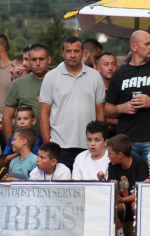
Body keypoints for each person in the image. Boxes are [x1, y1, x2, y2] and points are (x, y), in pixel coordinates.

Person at [105, 31, 150, 162]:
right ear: (134, 47)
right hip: (125, 141)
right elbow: (107, 109)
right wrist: (121, 108)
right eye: (147, 44)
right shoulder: (119, 74)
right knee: (126, 181)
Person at [39, 36, 105, 170]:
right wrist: (48, 145)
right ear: (62, 53)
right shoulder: (51, 77)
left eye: (76, 51)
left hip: (89, 145)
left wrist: (100, 142)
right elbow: (43, 112)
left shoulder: (95, 76)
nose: (73, 55)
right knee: (60, 189)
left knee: (89, 188)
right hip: (59, 146)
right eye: (68, 51)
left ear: (83, 53)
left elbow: (100, 111)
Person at [107, 134, 149, 236]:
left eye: (110, 153)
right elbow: (113, 191)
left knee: (134, 204)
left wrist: (123, 199)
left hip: (137, 203)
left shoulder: (139, 163)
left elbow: (142, 192)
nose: (108, 156)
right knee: (112, 208)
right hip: (121, 204)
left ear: (120, 154)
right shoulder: (112, 166)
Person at [3, 43, 50, 141]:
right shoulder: (18, 84)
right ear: (28, 61)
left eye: (41, 59)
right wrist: (11, 145)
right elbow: (7, 117)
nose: (37, 63)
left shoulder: (57, 81)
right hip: (24, 145)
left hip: (53, 143)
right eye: (33, 60)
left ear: (48, 60)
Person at [96, 52, 119, 134]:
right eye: (106, 64)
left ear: (117, 67)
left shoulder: (122, 89)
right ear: (98, 68)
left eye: (113, 64)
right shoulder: (94, 90)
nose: (110, 68)